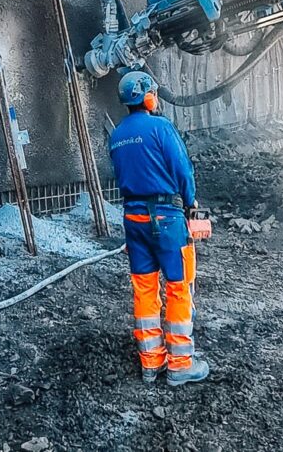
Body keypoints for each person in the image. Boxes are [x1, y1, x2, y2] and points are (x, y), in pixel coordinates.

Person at [108, 70, 210, 387]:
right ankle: (180, 364)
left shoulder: (117, 135)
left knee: (144, 287)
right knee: (179, 286)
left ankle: (151, 363)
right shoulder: (160, 127)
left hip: (132, 220)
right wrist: (193, 204)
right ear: (146, 96)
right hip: (166, 219)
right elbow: (183, 169)